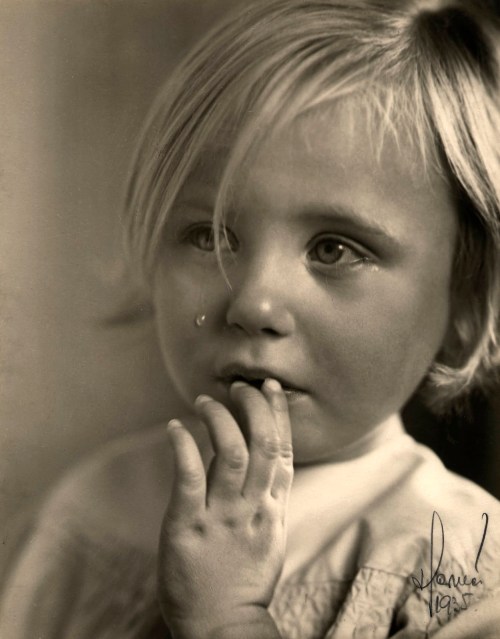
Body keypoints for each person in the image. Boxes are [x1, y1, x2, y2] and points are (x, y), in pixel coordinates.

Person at [1, 0, 500, 637]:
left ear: (465, 303)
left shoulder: (460, 565)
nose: (253, 304)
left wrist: (228, 622)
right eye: (211, 236)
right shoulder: (89, 510)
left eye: (334, 249)